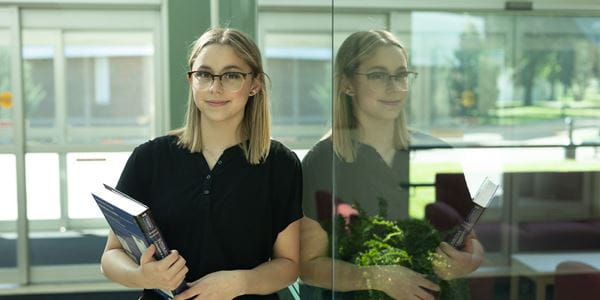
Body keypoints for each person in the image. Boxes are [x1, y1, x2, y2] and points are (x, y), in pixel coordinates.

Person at [100, 28, 302, 300]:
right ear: (191, 81)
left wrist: (241, 282)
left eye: (232, 75)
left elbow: (288, 265)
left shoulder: (280, 164)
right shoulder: (149, 158)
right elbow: (111, 255)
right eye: (204, 74)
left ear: (255, 84)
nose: (214, 88)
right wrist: (142, 276)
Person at [299, 30, 484, 300]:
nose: (394, 87)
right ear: (347, 84)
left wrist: (468, 262)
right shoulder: (323, 161)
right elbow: (308, 266)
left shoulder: (436, 153)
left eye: (400, 75)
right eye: (377, 75)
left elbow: (472, 243)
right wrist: (377, 278)